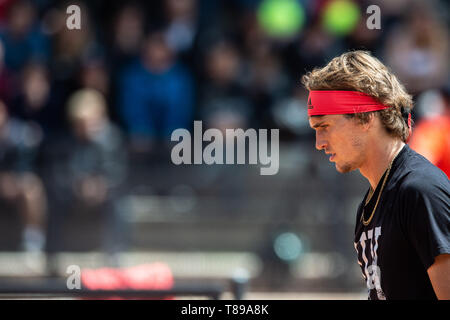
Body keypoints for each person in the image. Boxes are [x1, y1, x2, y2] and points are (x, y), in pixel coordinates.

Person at [302, 51, 449, 300]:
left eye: (324, 127)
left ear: (365, 117)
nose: (319, 143)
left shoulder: (420, 191)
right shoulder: (372, 201)